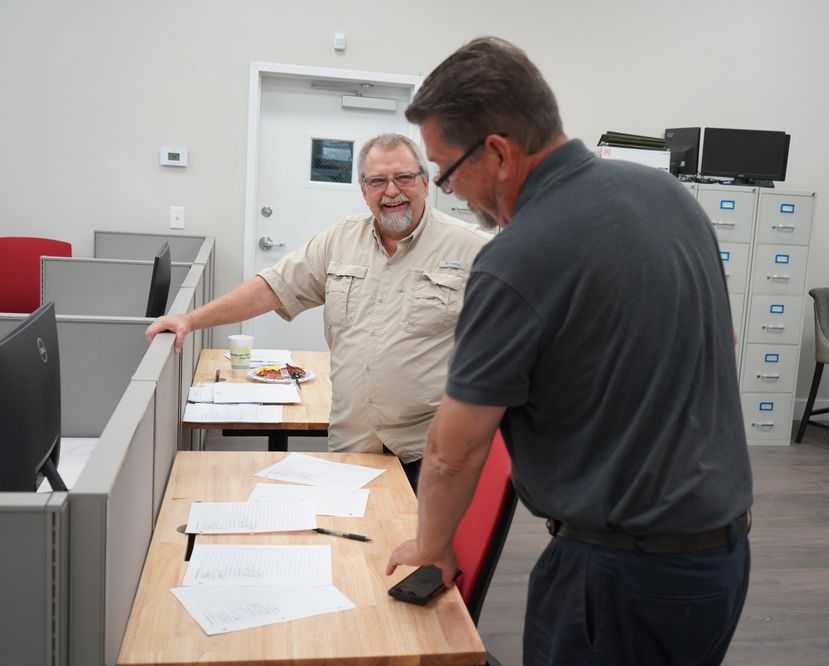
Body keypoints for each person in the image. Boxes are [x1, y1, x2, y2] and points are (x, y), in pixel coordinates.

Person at [385, 37, 753, 665]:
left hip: (619, 577)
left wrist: (430, 547)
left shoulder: (516, 258)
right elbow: (723, 340)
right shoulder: (670, 198)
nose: (453, 193)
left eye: (445, 172)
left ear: (498, 152)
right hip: (720, 559)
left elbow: (454, 450)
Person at [146, 133, 491, 489]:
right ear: (363, 190)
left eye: (403, 178)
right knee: (351, 542)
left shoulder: (473, 249)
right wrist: (190, 319)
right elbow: (271, 287)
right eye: (377, 181)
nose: (391, 191)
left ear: (424, 181)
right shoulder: (340, 241)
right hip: (352, 447)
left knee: (420, 545)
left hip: (430, 454)